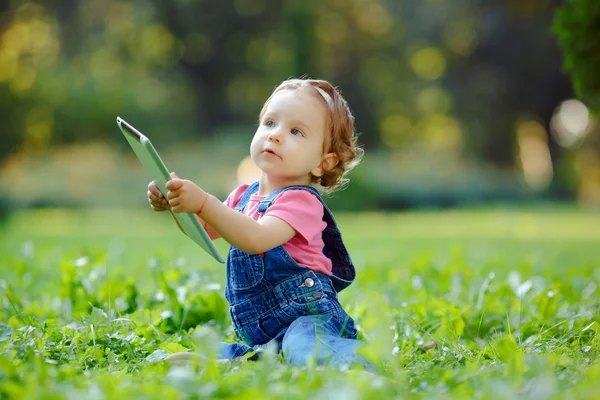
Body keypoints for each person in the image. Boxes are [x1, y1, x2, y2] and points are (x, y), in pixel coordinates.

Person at [147, 78, 370, 370]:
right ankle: (232, 362)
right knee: (240, 351)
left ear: (322, 163)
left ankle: (357, 364)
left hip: (308, 319)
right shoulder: (244, 195)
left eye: (295, 131)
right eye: (269, 123)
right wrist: (176, 206)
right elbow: (204, 230)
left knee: (305, 345)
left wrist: (203, 202)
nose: (275, 135)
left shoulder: (302, 202)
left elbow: (257, 237)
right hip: (266, 333)